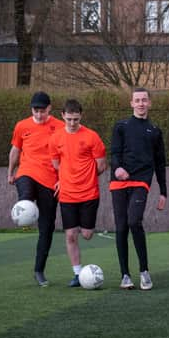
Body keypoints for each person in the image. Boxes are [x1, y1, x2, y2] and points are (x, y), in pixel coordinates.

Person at [110, 88, 167, 291]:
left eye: (144, 100)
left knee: (134, 221)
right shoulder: (121, 126)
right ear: (131, 103)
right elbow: (114, 152)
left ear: (149, 103)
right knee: (121, 227)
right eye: (137, 100)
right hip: (118, 182)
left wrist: (163, 192)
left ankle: (144, 271)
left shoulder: (155, 130)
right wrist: (117, 168)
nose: (141, 103)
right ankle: (125, 275)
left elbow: (160, 163)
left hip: (141, 181)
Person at [8, 91, 64, 287]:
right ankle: (24, 211)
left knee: (47, 228)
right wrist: (10, 172)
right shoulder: (22, 126)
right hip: (27, 172)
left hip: (50, 181)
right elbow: (16, 149)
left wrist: (62, 179)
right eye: (35, 110)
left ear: (49, 108)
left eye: (42, 110)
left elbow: (66, 155)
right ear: (31, 109)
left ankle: (39, 270)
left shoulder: (60, 127)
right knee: (25, 194)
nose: (39, 115)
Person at [49, 99, 107, 287]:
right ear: (63, 116)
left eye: (76, 119)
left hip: (89, 193)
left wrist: (87, 177)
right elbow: (56, 164)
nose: (72, 123)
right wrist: (63, 179)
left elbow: (101, 166)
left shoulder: (92, 137)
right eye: (69, 119)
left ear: (80, 116)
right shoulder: (56, 138)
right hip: (67, 194)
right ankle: (76, 274)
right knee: (71, 235)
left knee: (87, 234)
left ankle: (87, 230)